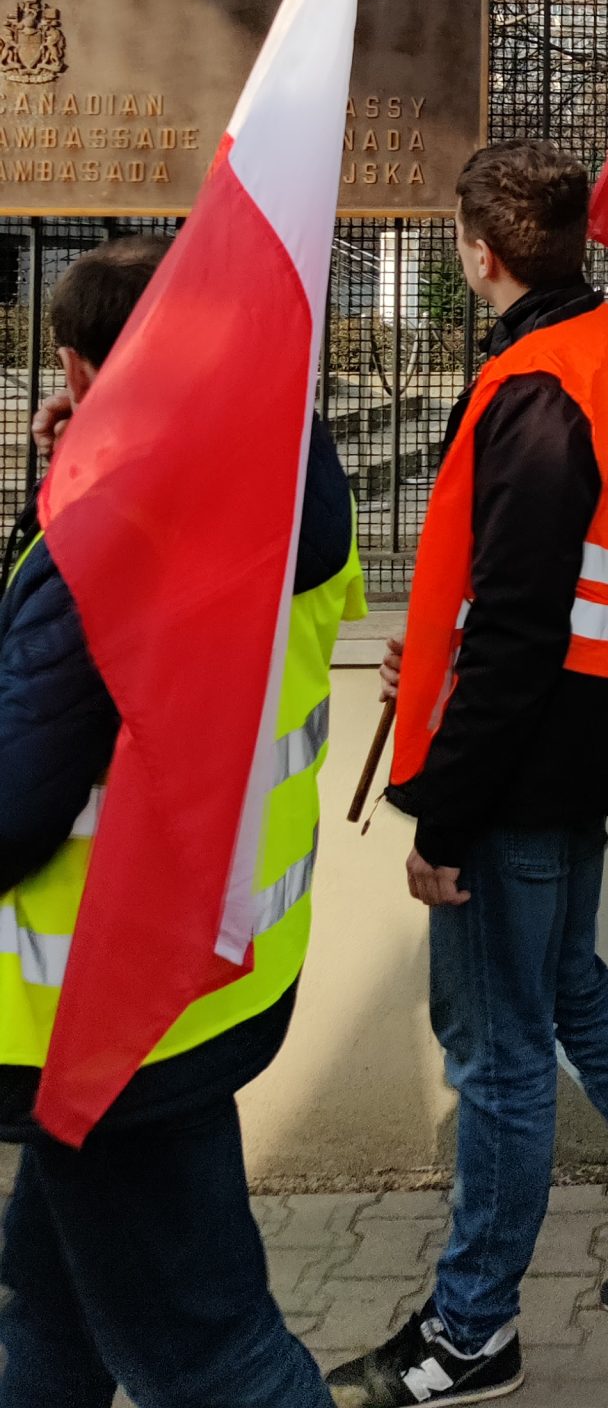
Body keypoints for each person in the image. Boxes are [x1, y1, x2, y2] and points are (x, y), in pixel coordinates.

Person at [327, 141, 608, 1408]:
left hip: (517, 773)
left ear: (484, 253)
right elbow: (553, 597)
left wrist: (442, 819)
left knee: (501, 1057)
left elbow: (517, 632)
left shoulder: (534, 386)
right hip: (588, 749)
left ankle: (471, 1332)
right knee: (572, 988)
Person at [0, 233, 361, 1408]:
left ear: (77, 364)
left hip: (107, 1023)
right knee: (48, 1318)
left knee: (210, 1358)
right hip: (207, 981)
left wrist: (67, 519)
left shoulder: (119, 536)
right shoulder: (287, 477)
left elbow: (14, 798)